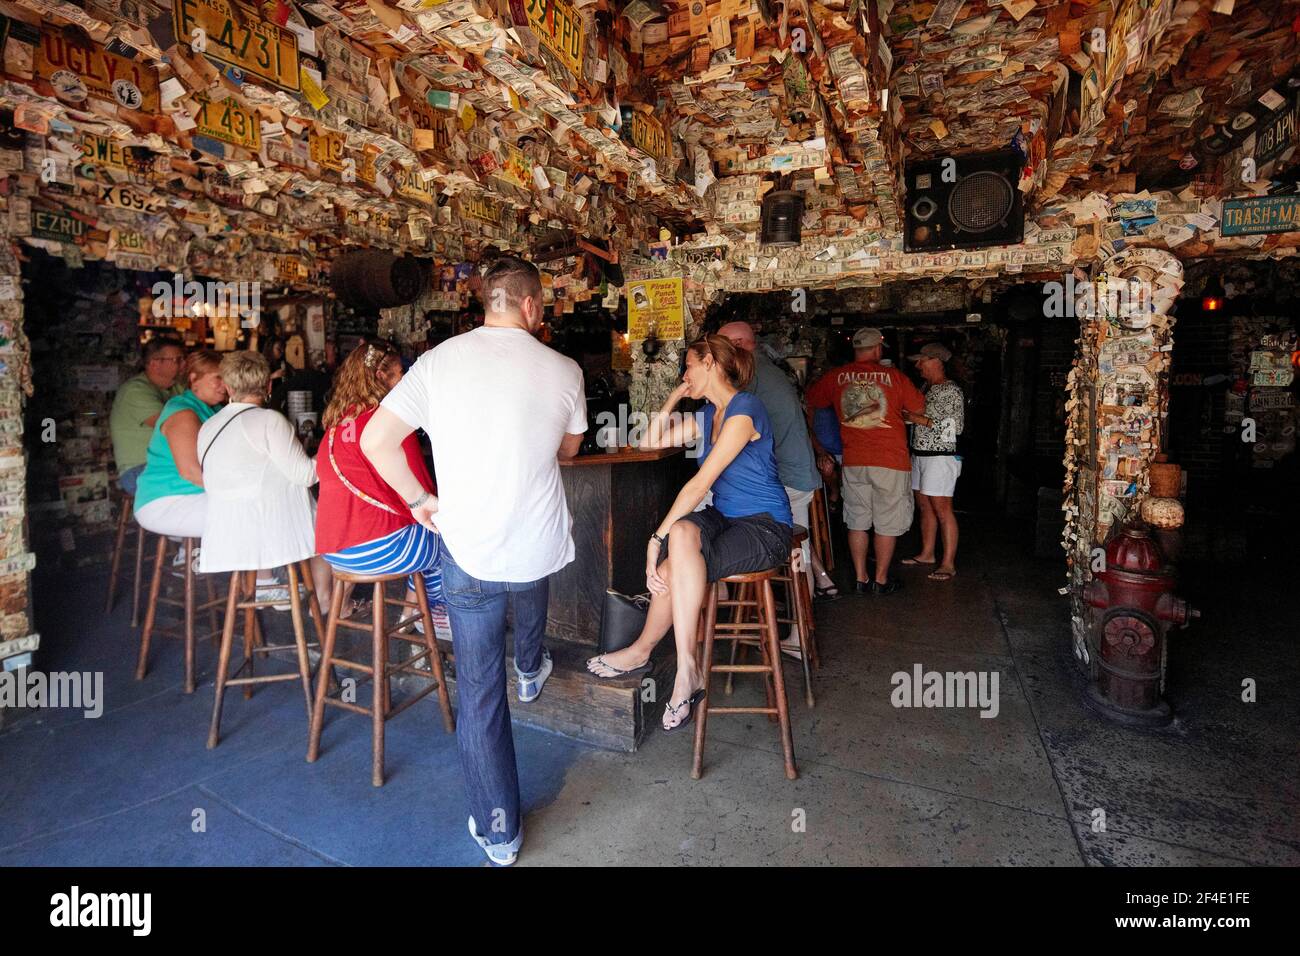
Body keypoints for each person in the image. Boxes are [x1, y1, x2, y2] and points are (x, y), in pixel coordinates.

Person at [360, 255, 586, 867]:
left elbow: (374, 440)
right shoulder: (565, 368)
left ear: (487, 301)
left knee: (481, 690)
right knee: (532, 576)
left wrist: (419, 500)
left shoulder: (437, 363)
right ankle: (532, 665)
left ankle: (499, 830)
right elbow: (570, 447)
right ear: (534, 306)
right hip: (534, 537)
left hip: (466, 544)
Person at [587, 334, 794, 729]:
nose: (686, 374)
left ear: (711, 363)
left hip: (765, 526)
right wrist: (673, 397)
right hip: (724, 517)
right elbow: (647, 444)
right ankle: (683, 667)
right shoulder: (706, 416)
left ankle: (651, 655)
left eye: (689, 366)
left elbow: (700, 484)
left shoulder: (745, 409)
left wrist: (654, 540)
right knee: (682, 532)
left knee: (671, 566)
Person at [314, 338, 443, 621]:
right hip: (381, 550)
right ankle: (419, 617)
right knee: (448, 542)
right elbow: (421, 495)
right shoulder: (390, 425)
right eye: (399, 374)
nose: (404, 381)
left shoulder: (335, 425)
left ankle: (408, 615)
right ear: (380, 377)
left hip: (335, 553)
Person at [718, 321, 839, 613]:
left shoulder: (750, 376)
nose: (716, 355)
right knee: (794, 541)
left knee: (797, 551)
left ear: (738, 345)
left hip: (785, 479)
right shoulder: (767, 369)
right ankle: (817, 586)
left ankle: (796, 631)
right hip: (792, 475)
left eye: (719, 347)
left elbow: (732, 427)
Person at [196, 351, 331, 601]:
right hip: (268, 530)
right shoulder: (269, 420)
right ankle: (324, 602)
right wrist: (330, 446)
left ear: (227, 386)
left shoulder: (208, 425)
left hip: (226, 530)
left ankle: (268, 584)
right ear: (269, 385)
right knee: (330, 525)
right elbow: (306, 475)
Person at [806, 328, 924, 595]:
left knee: (857, 519)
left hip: (854, 460)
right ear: (878, 349)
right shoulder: (895, 376)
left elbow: (812, 399)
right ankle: (880, 581)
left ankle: (860, 578)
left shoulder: (837, 376)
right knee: (887, 521)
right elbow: (918, 408)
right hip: (890, 460)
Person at [134, 350, 227, 540]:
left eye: (227, 378)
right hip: (166, 500)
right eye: (218, 378)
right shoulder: (183, 412)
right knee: (252, 514)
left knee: (259, 509)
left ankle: (201, 560)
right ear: (194, 379)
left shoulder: (214, 409)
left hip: (193, 494)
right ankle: (191, 563)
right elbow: (191, 472)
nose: (224, 385)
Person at [901, 343, 964, 581]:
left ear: (936, 361)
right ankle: (927, 554)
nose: (917, 365)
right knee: (925, 507)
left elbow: (955, 428)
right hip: (921, 454)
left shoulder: (951, 390)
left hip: (940, 457)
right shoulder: (927, 387)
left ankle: (948, 563)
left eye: (921, 360)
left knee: (943, 509)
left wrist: (918, 419)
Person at [109, 337, 185, 494]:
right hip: (140, 468)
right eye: (177, 360)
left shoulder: (175, 387)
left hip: (168, 463)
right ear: (155, 364)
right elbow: (174, 426)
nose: (183, 364)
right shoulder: (135, 391)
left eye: (183, 358)